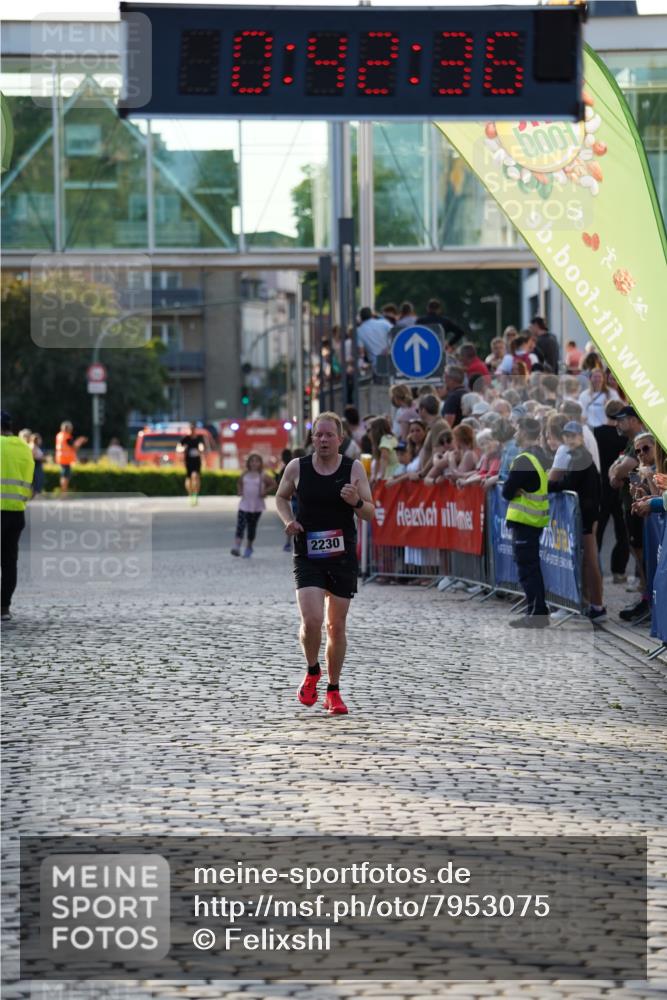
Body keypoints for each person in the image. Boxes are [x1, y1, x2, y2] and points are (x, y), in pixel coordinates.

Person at [275, 412, 374, 716]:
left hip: (341, 556)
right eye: (319, 435)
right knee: (312, 620)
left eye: (329, 435)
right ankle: (312, 669)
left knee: (336, 625)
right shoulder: (297, 467)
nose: (323, 440)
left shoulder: (352, 468)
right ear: (312, 438)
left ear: (340, 438)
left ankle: (333, 689)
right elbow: (280, 497)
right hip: (308, 554)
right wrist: (289, 520)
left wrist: (356, 501)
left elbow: (370, 512)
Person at [548, 421, 606, 623]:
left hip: (587, 515)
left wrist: (548, 485)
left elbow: (570, 483)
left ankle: (597, 606)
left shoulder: (582, 456)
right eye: (567, 436)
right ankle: (591, 603)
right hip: (585, 512)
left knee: (590, 560)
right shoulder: (576, 455)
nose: (570, 439)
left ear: (581, 437)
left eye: (573, 436)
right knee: (587, 560)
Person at [502, 417, 551, 628]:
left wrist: (513, 489)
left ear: (523, 431)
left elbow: (506, 491)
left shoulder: (524, 459)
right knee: (531, 569)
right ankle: (536, 610)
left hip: (525, 522)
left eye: (517, 430)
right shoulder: (539, 455)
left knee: (527, 570)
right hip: (534, 522)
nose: (515, 434)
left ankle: (537, 613)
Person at [1, 411, 35, 621]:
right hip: (16, 513)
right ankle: (4, 607)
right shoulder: (23, 446)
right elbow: (29, 480)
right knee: (9, 561)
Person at [594, 399, 629, 583]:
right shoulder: (624, 435)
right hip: (620, 485)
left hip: (602, 485)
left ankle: (596, 568)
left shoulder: (597, 432)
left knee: (598, 529)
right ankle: (619, 571)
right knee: (622, 530)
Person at [231, 451, 276, 558]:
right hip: (244, 505)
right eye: (252, 461)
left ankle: (249, 547)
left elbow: (274, 484)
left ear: (260, 463)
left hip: (256, 506)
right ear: (248, 463)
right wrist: (240, 490)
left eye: (257, 461)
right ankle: (237, 547)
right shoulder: (245, 474)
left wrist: (265, 491)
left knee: (251, 527)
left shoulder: (263, 475)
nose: (254, 463)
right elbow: (239, 483)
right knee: (240, 526)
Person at [55, 420, 87, 495]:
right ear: (67, 428)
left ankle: (64, 493)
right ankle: (64, 493)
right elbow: (74, 447)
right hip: (66, 459)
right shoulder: (66, 436)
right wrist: (80, 441)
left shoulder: (59, 435)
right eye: (70, 428)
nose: (71, 430)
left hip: (61, 458)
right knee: (65, 477)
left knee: (64, 476)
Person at [177, 422, 205, 506]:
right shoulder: (186, 438)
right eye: (191, 429)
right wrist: (182, 449)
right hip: (189, 461)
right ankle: (190, 494)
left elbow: (201, 446)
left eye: (194, 429)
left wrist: (201, 449)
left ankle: (195, 494)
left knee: (196, 476)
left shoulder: (199, 438)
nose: (192, 431)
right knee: (189, 477)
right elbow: (179, 447)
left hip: (197, 460)